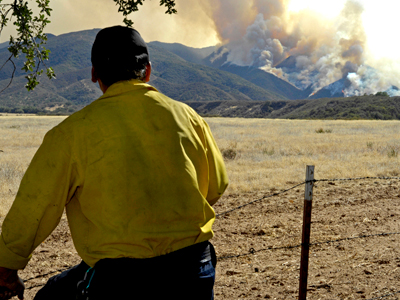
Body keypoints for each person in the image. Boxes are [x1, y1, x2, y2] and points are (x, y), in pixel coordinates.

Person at [0, 26, 228, 300]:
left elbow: (34, 209)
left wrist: (6, 268)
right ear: (148, 71)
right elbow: (216, 186)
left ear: (94, 74)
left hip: (120, 281)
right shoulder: (190, 118)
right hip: (194, 271)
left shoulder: (71, 133)